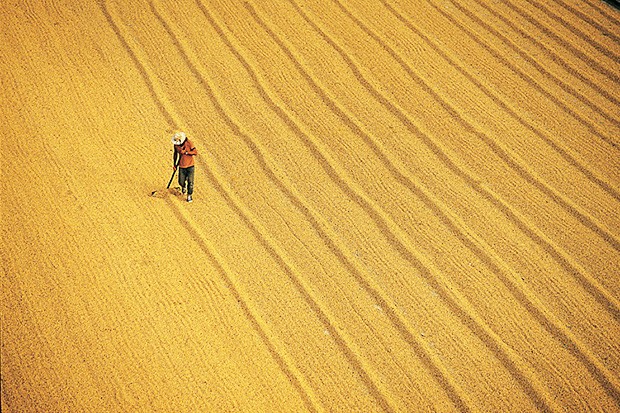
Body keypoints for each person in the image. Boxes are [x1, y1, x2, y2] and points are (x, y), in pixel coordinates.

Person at [171, 131, 197, 202]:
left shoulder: (189, 143)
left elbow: (195, 152)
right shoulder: (176, 146)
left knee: (190, 182)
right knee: (181, 181)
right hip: (181, 166)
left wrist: (186, 152)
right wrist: (174, 165)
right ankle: (183, 187)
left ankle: (189, 195)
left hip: (190, 166)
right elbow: (175, 154)